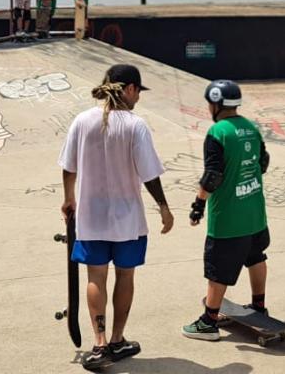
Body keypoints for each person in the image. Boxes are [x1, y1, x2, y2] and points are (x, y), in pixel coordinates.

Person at [59, 64, 173, 370]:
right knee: (125, 276)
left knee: (95, 277)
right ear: (131, 89)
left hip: (90, 218)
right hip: (128, 220)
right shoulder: (136, 125)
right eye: (138, 92)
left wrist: (69, 198)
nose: (139, 98)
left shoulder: (82, 121)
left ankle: (99, 344)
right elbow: (149, 174)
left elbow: (68, 166)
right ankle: (117, 339)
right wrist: (163, 207)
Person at [183, 79, 270, 341]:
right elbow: (263, 162)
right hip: (255, 213)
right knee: (256, 256)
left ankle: (208, 322)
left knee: (218, 269)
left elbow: (212, 175)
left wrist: (198, 206)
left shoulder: (218, 132)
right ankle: (259, 306)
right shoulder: (251, 128)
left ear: (216, 104)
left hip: (228, 219)